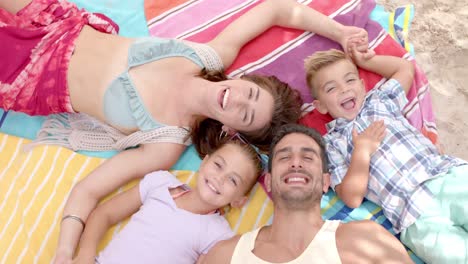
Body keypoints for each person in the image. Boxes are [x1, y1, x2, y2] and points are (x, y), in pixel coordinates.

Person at [0, 0, 368, 260]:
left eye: (246, 114)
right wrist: (340, 31)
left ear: (230, 128)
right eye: (250, 94)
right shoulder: (209, 55)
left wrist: (67, 252)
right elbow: (277, 10)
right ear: (242, 80)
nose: (238, 101)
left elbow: (89, 190)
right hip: (57, 19)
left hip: (31, 73)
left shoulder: (165, 144)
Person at [304, 45, 468, 263]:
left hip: (443, 177)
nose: (344, 89)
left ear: (363, 86)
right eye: (331, 88)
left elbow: (405, 69)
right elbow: (351, 197)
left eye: (350, 80)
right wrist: (361, 152)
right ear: (320, 106)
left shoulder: (379, 101)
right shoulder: (330, 144)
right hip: (412, 215)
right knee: (454, 257)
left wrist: (366, 62)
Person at [201, 124, 412, 264]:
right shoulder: (225, 256)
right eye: (284, 157)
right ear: (269, 182)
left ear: (325, 182)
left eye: (308, 158)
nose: (295, 163)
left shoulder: (366, 239)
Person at [68, 137, 262, 264]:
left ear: (239, 200)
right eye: (218, 165)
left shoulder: (217, 235)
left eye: (233, 180)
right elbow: (105, 214)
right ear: (204, 162)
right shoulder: (160, 183)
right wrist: (85, 253)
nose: (220, 178)